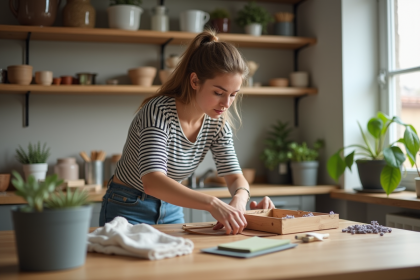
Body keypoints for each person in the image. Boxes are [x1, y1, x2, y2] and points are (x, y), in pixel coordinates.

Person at [99, 30, 275, 235]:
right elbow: (153, 182)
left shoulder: (217, 123)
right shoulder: (158, 111)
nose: (226, 103)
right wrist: (213, 203)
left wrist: (238, 201)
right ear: (194, 81)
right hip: (127, 205)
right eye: (218, 93)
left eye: (233, 95)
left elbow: (236, 178)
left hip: (172, 208)